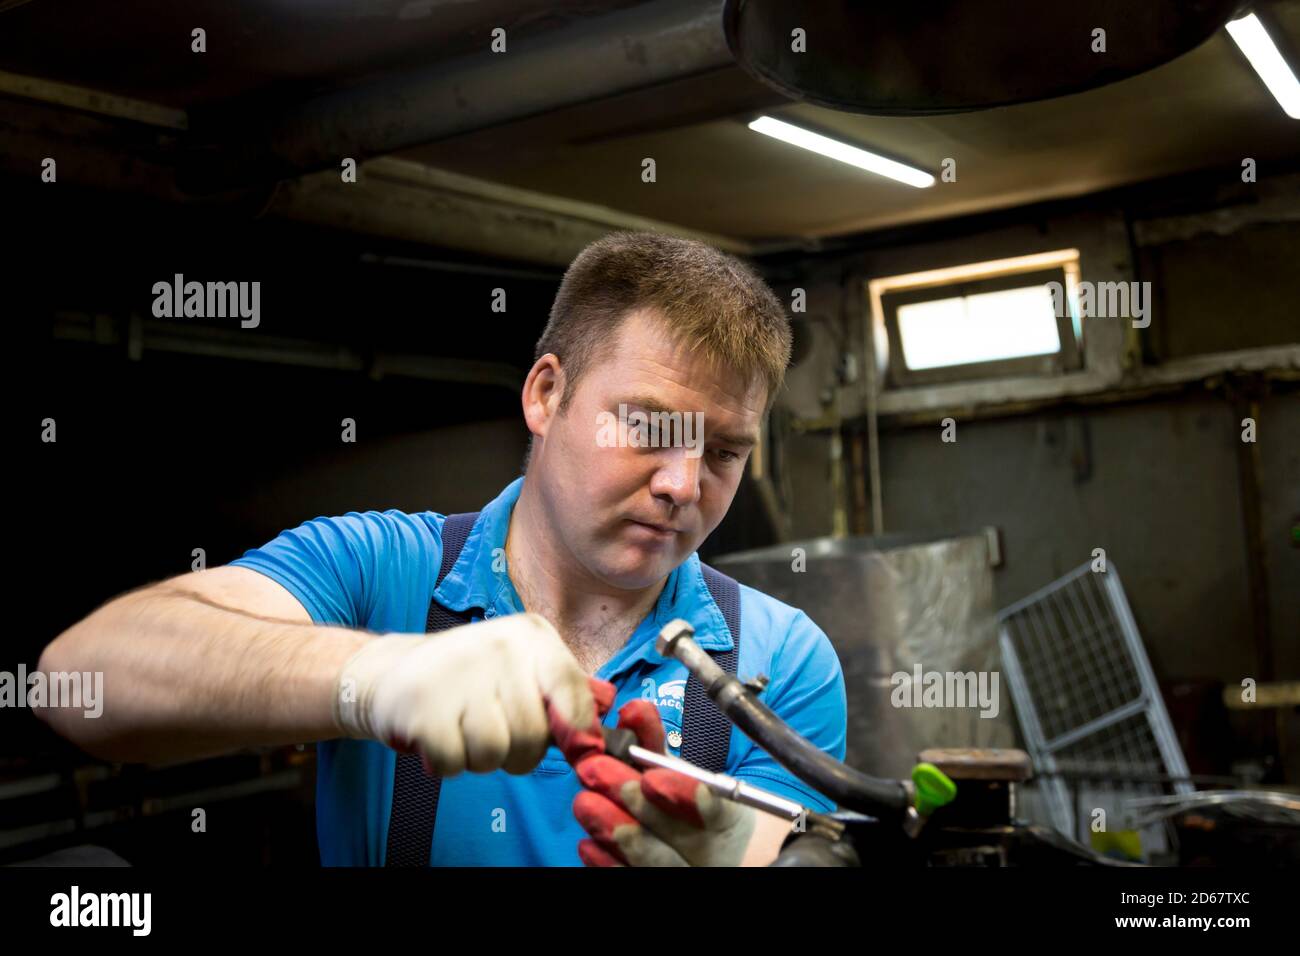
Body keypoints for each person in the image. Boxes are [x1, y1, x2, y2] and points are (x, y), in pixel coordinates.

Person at [37, 231, 847, 866]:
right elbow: (78, 683)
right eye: (647, 427)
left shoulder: (781, 659)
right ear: (546, 394)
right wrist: (375, 677)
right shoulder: (378, 568)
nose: (683, 483)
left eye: (724, 453)